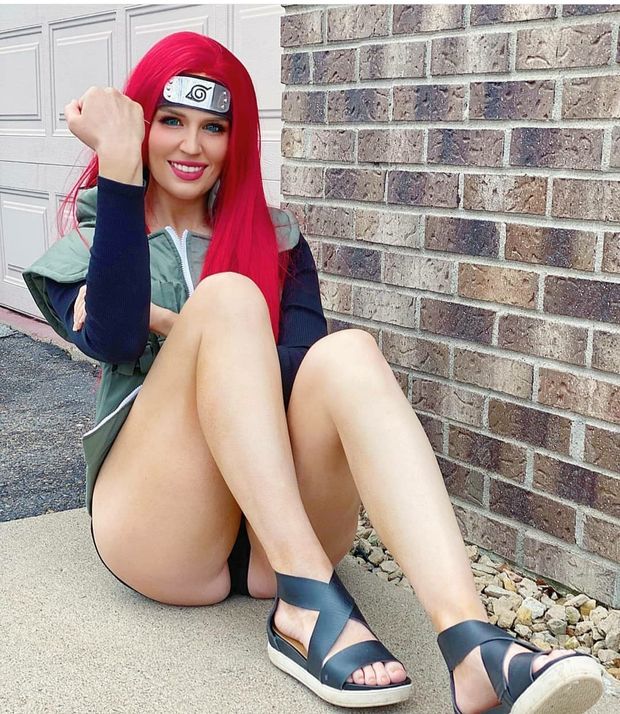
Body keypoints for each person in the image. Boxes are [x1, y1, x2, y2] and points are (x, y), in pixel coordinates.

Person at [23, 32, 605, 713]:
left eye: (215, 128)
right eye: (171, 121)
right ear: (141, 125)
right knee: (230, 298)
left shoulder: (276, 238)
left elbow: (298, 369)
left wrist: (174, 323)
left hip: (276, 533)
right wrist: (121, 173)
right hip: (161, 533)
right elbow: (115, 337)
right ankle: (304, 605)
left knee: (347, 352)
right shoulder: (95, 237)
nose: (191, 146)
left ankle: (472, 646)